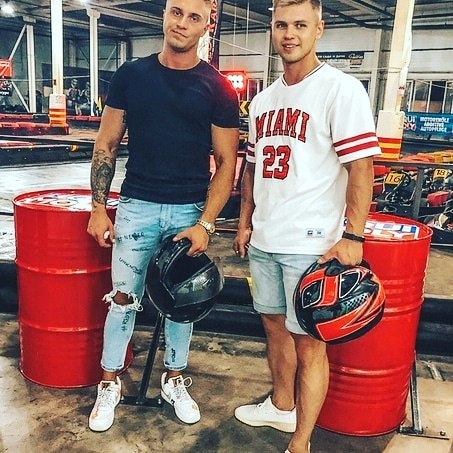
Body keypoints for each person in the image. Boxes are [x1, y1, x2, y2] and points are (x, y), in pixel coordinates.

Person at [232, 1, 380, 452]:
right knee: (274, 327)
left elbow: (361, 167)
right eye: (281, 24)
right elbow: (252, 168)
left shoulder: (341, 89)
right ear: (272, 29)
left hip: (312, 246)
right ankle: (281, 406)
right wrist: (244, 222)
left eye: (300, 25)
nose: (289, 34)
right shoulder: (263, 100)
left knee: (310, 345)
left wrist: (353, 235)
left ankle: (301, 442)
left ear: (319, 28)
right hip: (265, 239)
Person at [87, 0, 239, 432]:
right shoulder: (131, 76)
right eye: (176, 12)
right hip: (136, 207)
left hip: (188, 213)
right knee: (122, 299)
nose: (182, 23)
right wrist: (99, 207)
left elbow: (227, 163)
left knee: (181, 302)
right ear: (165, 14)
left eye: (194, 17)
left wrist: (205, 224)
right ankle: (109, 383)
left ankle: (174, 379)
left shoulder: (218, 88)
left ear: (206, 25)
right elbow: (106, 144)